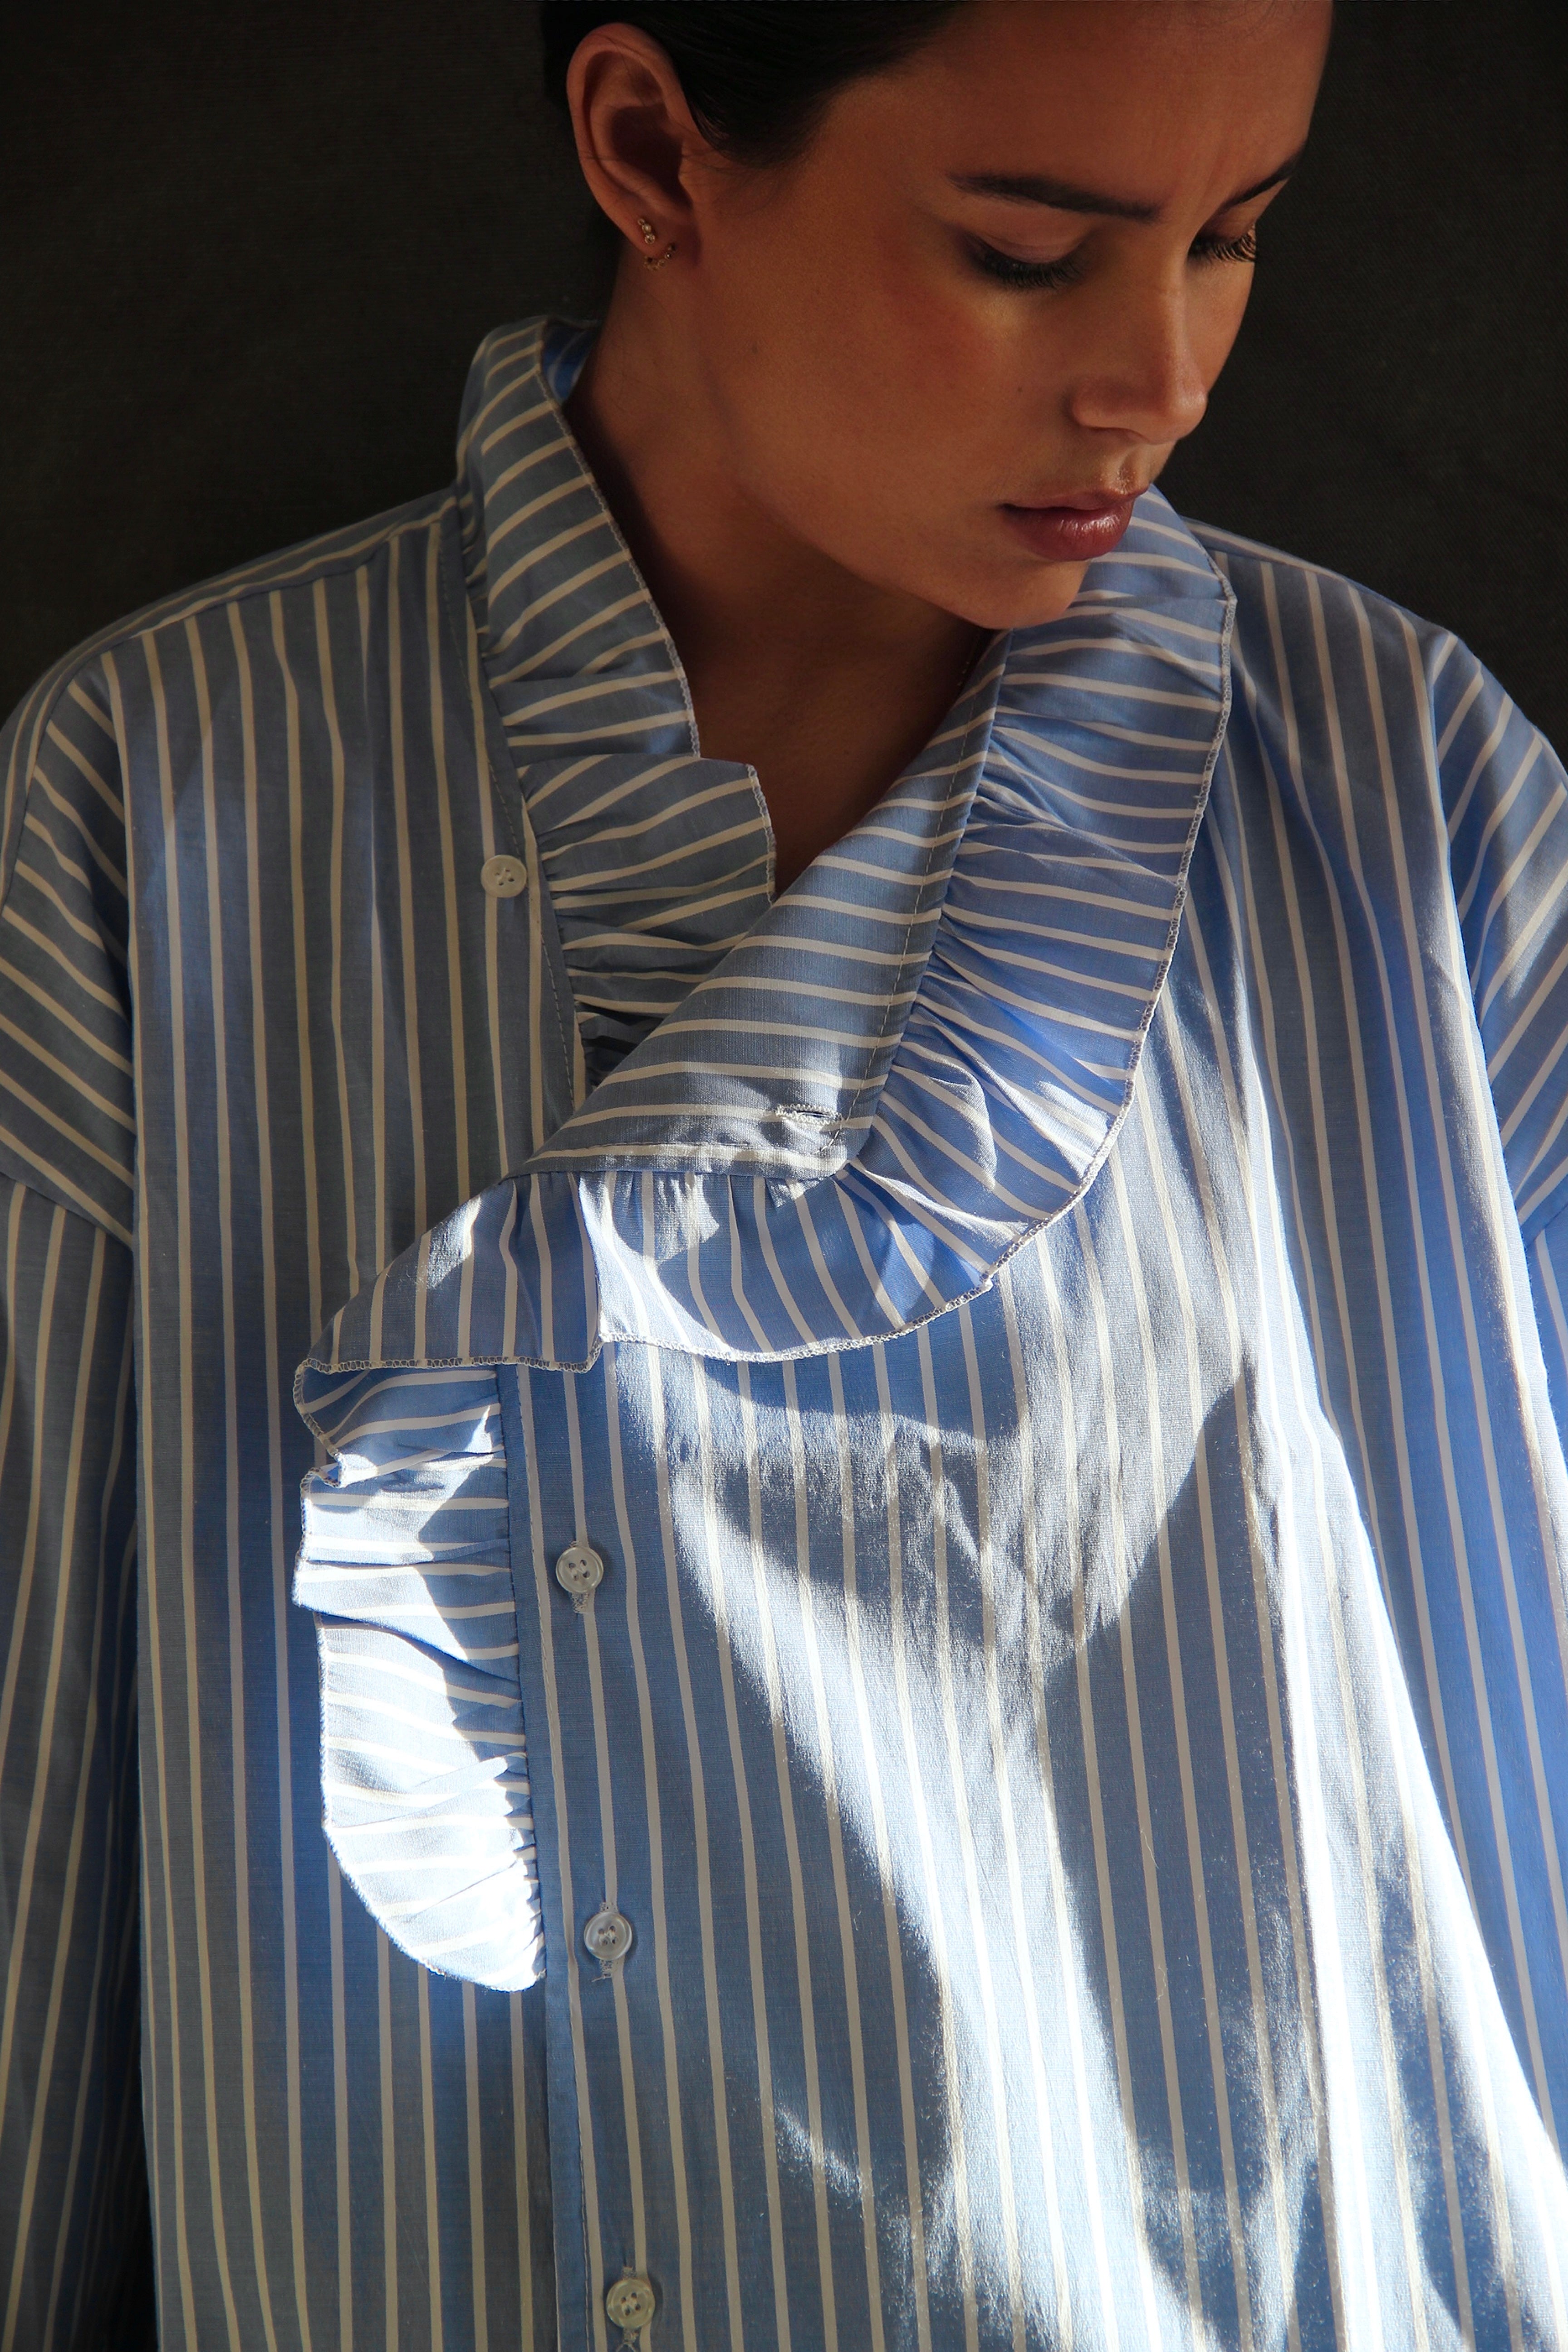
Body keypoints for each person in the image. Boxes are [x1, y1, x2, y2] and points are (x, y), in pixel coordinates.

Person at [3, 0, 1567, 2343]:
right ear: (651, 147)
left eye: (1234, 238)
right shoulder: (166, 802)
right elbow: (32, 1857)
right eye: (1030, 252)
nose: (1161, 381)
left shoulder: (1406, 796)